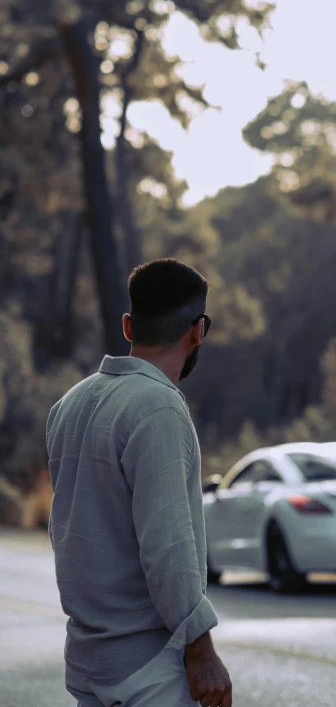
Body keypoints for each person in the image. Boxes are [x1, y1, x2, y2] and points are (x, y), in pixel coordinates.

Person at [46, 258, 232, 707]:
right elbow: (168, 547)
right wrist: (202, 650)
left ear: (128, 326)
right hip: (147, 673)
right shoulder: (160, 409)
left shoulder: (69, 405)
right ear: (197, 331)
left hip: (88, 664)